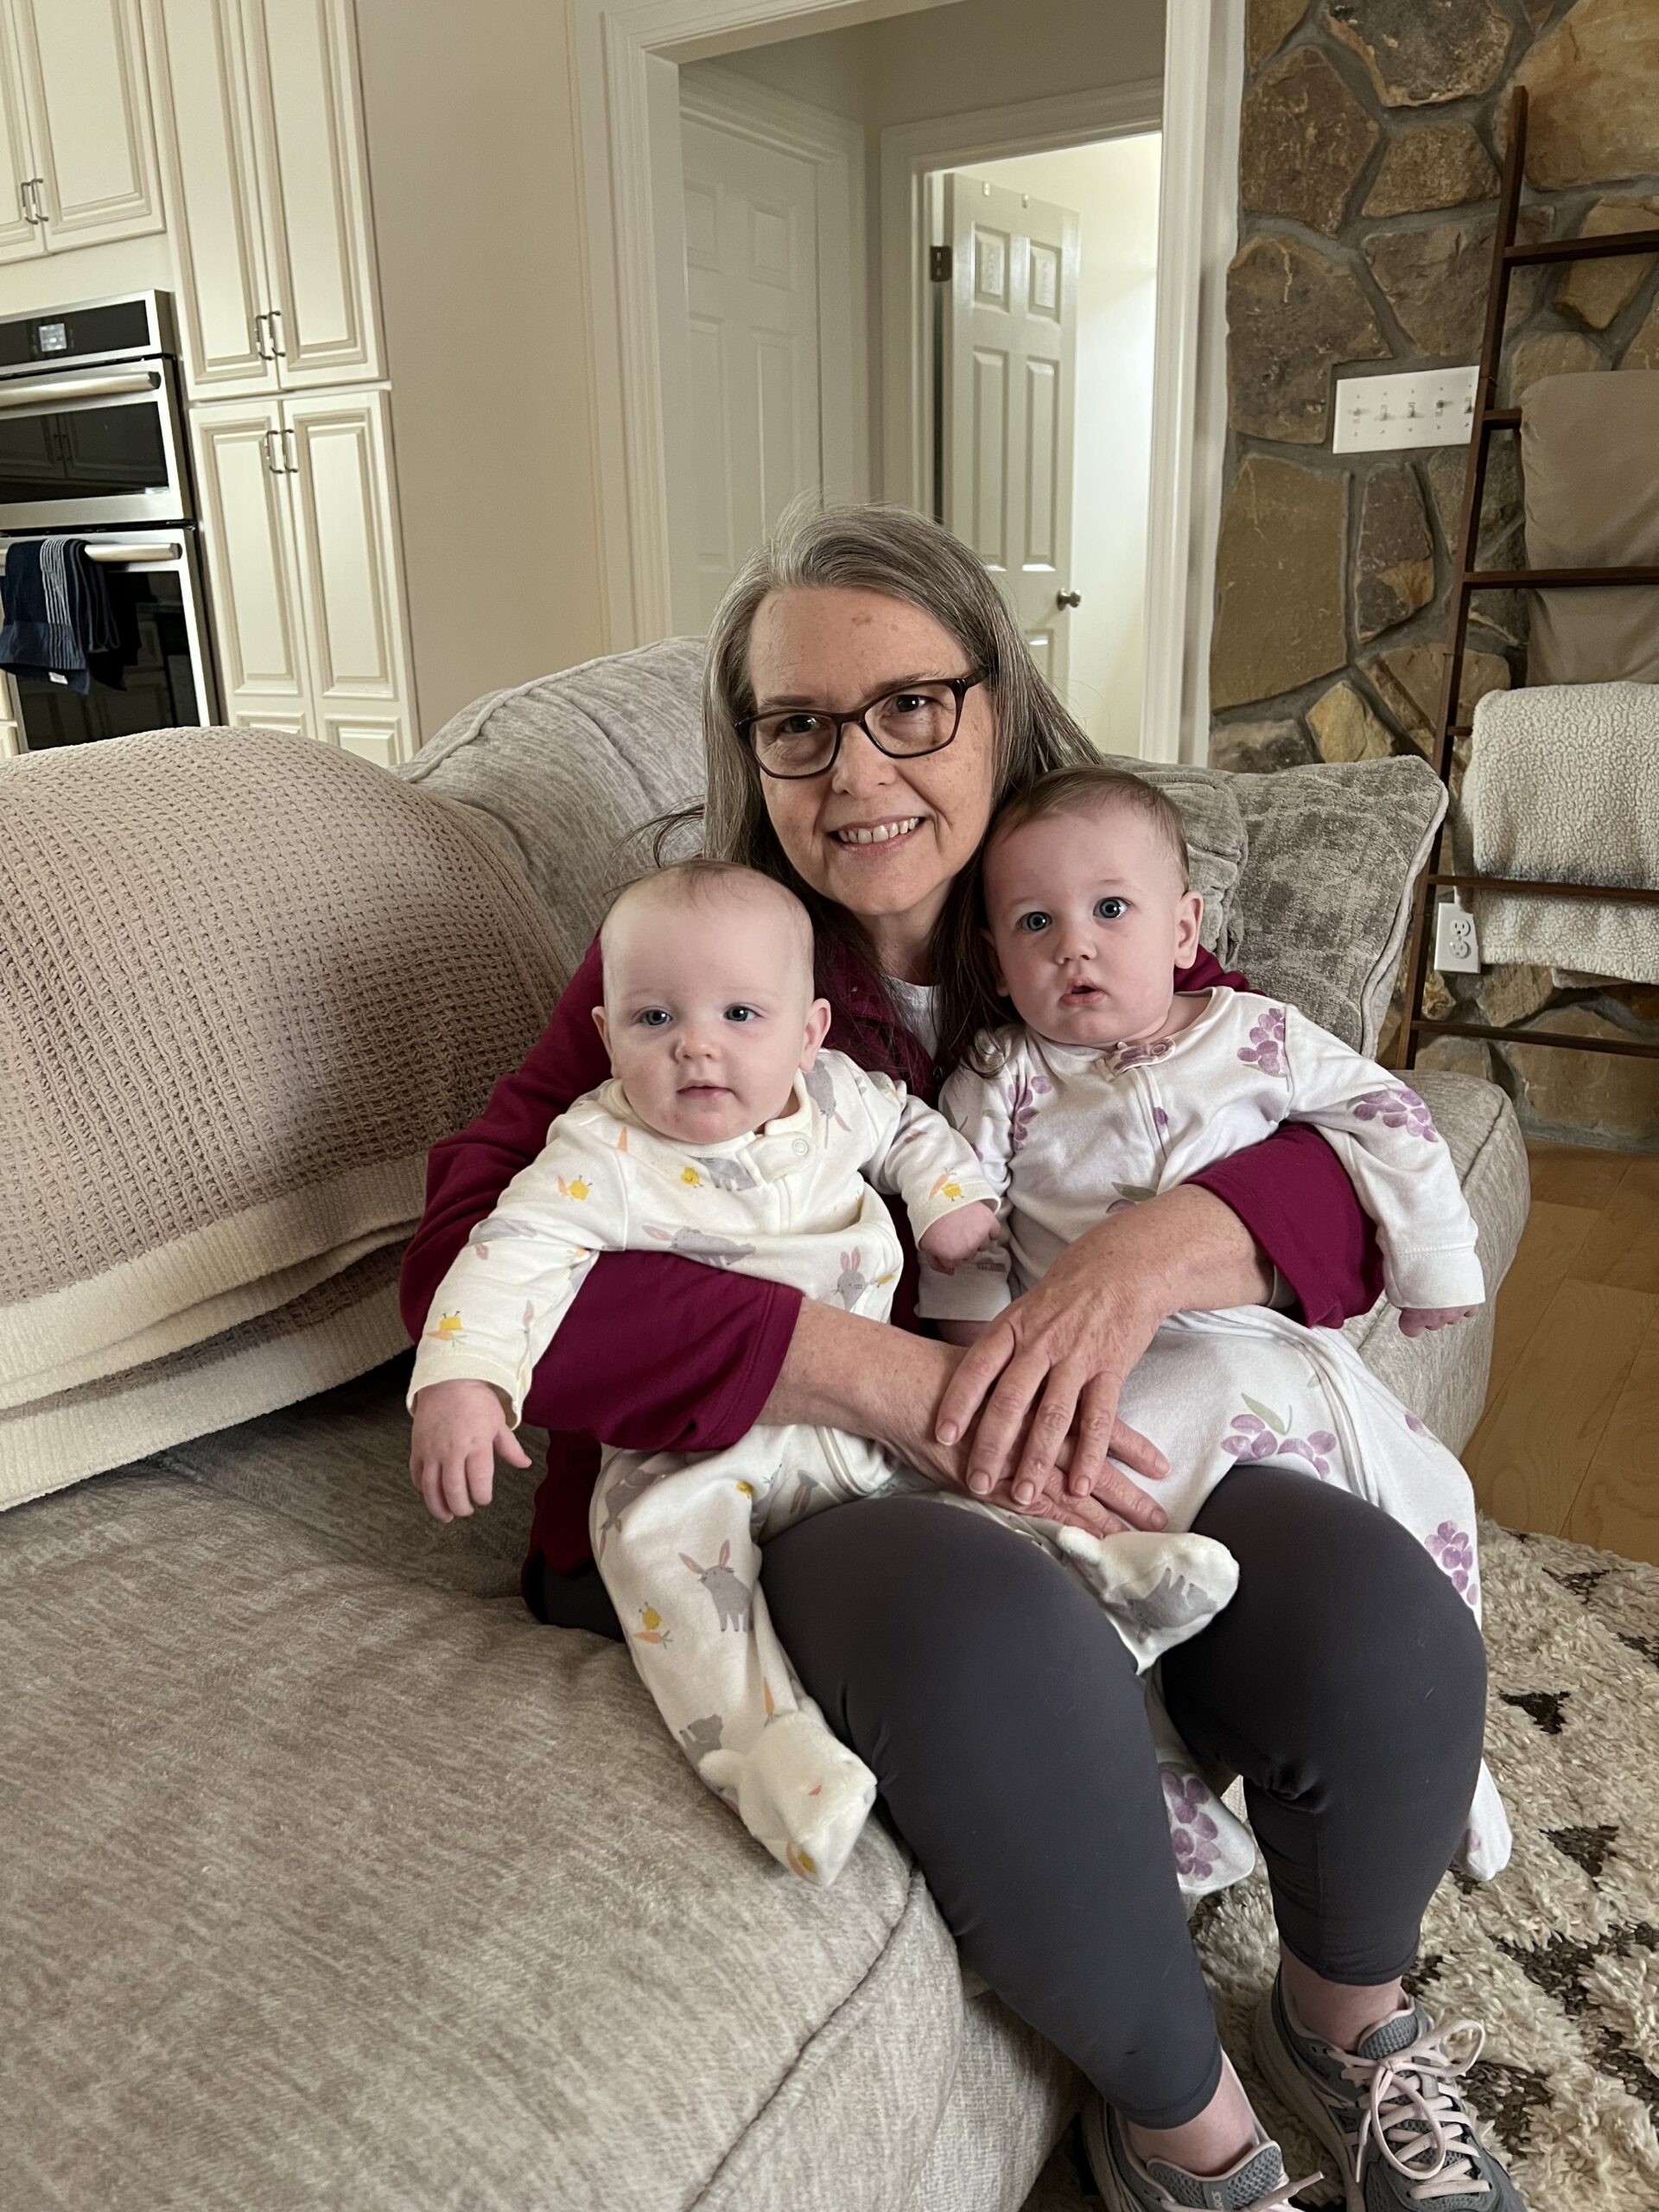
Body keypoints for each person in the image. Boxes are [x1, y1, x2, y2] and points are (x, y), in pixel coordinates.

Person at [399, 503, 1524, 2211]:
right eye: (799, 726)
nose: (858, 773)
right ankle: (1187, 2132)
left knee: (1374, 1616)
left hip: (1082, 1427)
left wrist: (1156, 1247)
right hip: (791, 1480)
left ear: (1000, 701)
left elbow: (1292, 1121)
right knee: (995, 1634)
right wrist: (881, 1372)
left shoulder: (1072, 906)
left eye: (909, 706)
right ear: (754, 755)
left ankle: (1345, 2018)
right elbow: (461, 1266)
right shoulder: (699, 961)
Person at [407, 858, 1236, 1888]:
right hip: (691, 1452)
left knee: (963, 1468)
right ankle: (765, 1754)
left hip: (859, 1429)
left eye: (740, 1014)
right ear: (606, 1036)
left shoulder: (834, 1099)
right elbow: (504, 1255)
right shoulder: (598, 1153)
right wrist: (464, 1381)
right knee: (663, 1564)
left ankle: (1104, 1568)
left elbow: (905, 1124)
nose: (696, 1044)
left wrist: (949, 1203)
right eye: (654, 1018)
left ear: (807, 1033)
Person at [918, 761, 1510, 1905]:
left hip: (1280, 1346)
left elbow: (1382, 1112)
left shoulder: (1257, 1036)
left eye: (1111, 911)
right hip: (1127, 1369)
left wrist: (1436, 1257)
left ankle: (1452, 1761)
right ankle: (1158, 1782)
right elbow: (969, 1222)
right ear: (995, 958)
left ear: (1185, 926)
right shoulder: (1004, 1076)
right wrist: (987, 1347)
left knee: (1432, 1495)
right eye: (1035, 924)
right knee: (1099, 1550)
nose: (1074, 947)